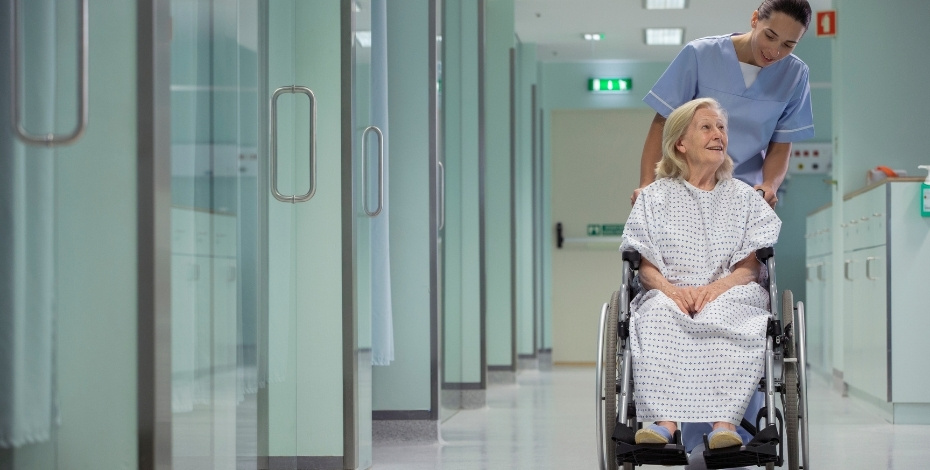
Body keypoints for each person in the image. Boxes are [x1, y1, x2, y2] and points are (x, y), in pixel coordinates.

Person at [619, 98, 781, 457]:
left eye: (721, 128)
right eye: (706, 127)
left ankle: (724, 428)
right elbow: (643, 265)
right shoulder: (654, 197)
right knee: (658, 314)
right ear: (681, 143)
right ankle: (664, 424)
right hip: (667, 291)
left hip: (732, 291)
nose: (718, 135)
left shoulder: (744, 197)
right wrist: (670, 290)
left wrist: (715, 289)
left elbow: (752, 266)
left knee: (726, 315)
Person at [632, 0, 814, 210]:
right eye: (770, 36)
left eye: (788, 45)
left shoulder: (795, 75)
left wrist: (769, 185)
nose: (774, 51)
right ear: (755, 19)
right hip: (688, 185)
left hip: (746, 192)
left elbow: (782, 143)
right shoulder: (700, 54)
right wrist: (646, 184)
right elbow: (663, 122)